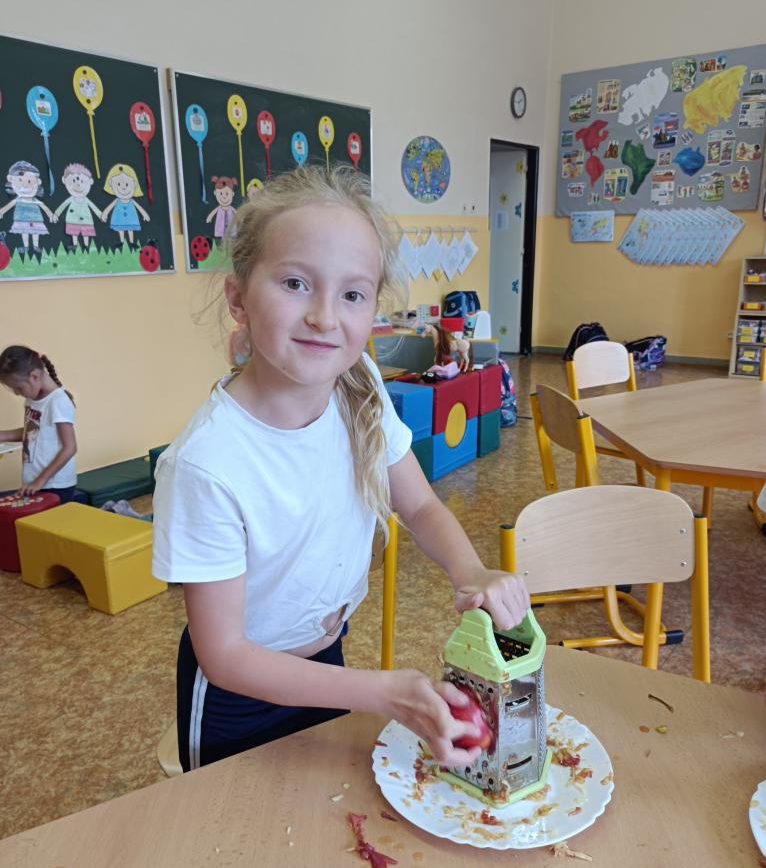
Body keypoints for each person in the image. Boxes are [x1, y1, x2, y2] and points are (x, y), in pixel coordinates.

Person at [152, 165, 529, 773]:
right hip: (237, 699)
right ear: (238, 299)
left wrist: (472, 570)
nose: (325, 317)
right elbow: (224, 655)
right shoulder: (206, 465)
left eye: (352, 294)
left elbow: (420, 505)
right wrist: (382, 692)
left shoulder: (360, 384)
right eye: (295, 283)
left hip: (326, 666)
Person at [0, 346, 78, 500]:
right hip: (34, 482)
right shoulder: (32, 398)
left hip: (55, 485)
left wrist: (40, 480)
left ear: (34, 376)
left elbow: (70, 448)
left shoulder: (58, 401)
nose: (17, 393)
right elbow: (34, 432)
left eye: (18, 388)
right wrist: (3, 436)